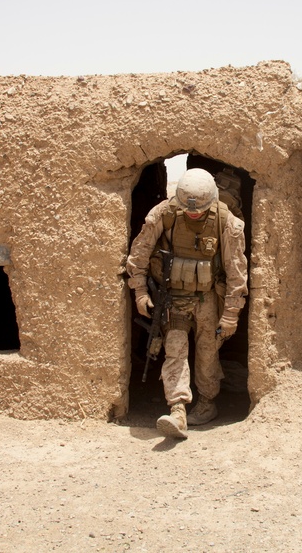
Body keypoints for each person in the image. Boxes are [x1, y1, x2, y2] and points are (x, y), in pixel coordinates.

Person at [126, 168, 248, 439]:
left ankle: (207, 403)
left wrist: (230, 315)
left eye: (200, 209)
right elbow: (139, 256)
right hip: (175, 298)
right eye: (188, 209)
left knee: (207, 353)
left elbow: (236, 272)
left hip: (208, 299)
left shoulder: (226, 222)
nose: (194, 213)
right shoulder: (165, 214)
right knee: (175, 349)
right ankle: (177, 409)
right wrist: (140, 292)